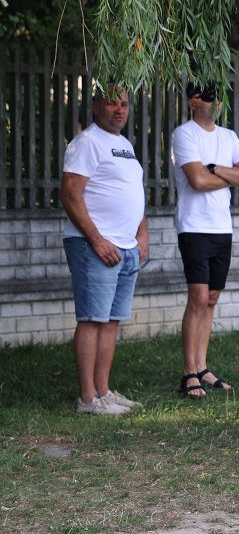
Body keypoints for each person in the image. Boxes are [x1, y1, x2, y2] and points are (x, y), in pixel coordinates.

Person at [60, 85, 148, 416]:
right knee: (92, 320)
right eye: (112, 103)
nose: (119, 109)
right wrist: (97, 240)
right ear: (96, 105)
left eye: (124, 103)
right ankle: (87, 398)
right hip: (94, 246)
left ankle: (103, 391)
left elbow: (133, 191)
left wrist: (142, 234)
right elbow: (70, 194)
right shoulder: (87, 142)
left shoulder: (124, 145)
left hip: (125, 247)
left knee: (110, 322)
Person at [171, 82, 239, 399]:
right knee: (197, 298)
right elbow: (196, 180)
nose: (215, 102)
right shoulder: (184, 134)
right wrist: (230, 175)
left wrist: (215, 169)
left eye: (218, 96)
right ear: (192, 102)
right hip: (194, 226)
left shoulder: (229, 137)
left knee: (212, 298)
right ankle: (188, 373)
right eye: (208, 97)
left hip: (223, 227)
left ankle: (202, 366)